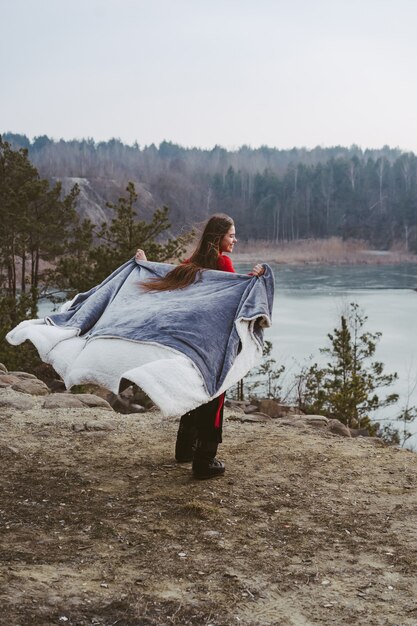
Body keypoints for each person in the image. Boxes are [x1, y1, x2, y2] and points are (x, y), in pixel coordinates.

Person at [135, 213, 265, 479]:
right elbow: (235, 299)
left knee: (195, 393)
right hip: (214, 345)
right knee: (214, 398)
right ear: (219, 238)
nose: (235, 239)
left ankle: (185, 449)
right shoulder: (223, 262)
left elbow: (169, 282)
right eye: (231, 235)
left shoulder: (192, 263)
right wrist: (255, 280)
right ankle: (205, 461)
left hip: (194, 345)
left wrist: (146, 267)